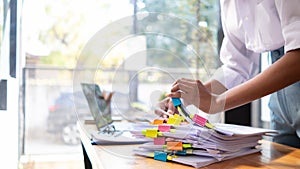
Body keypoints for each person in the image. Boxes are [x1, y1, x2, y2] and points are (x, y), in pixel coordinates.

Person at [159, 1, 300, 148]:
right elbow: (237, 66)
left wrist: (217, 102)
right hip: (279, 101)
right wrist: (191, 97)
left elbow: (297, 57)